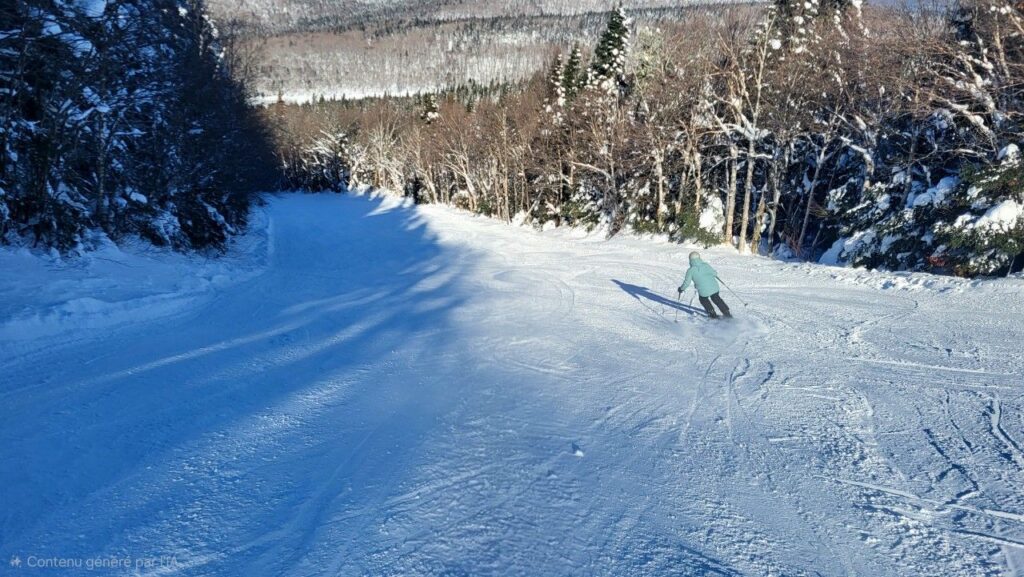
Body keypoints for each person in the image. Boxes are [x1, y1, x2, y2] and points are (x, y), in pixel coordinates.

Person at [677, 252, 732, 319]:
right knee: (716, 298)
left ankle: (712, 314)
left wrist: (681, 289)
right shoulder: (706, 265)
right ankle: (727, 313)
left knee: (703, 299)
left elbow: (687, 283)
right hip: (714, 287)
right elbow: (714, 273)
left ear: (690, 260)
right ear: (699, 258)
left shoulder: (690, 270)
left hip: (703, 291)